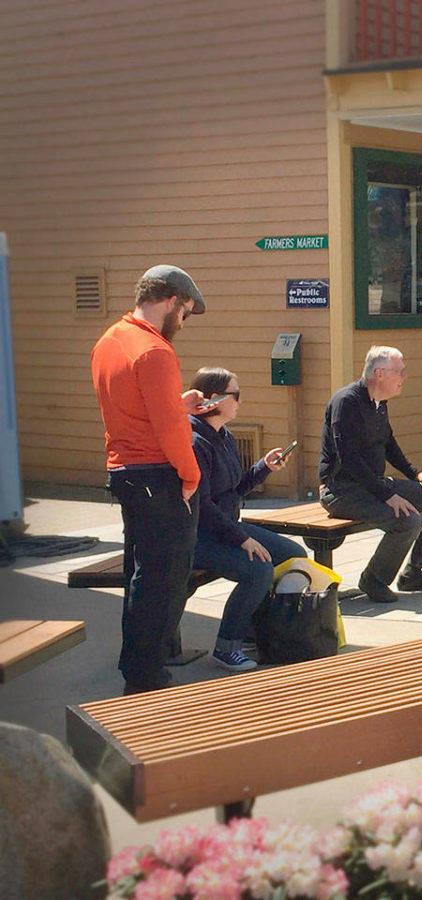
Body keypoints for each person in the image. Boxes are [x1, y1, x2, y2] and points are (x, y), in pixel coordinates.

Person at [91, 264, 209, 694]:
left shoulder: (110, 340)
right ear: (172, 300)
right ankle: (145, 679)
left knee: (141, 575)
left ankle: (135, 667)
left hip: (125, 472)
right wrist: (191, 474)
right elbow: (169, 432)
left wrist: (178, 404)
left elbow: (135, 408)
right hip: (159, 477)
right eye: (186, 312)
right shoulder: (156, 350)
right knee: (165, 580)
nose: (184, 323)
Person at [319, 346, 422, 603]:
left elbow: (388, 443)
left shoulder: (379, 403)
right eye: (400, 372)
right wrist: (388, 495)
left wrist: (416, 474)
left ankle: (415, 572)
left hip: (373, 484)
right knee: (407, 520)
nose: (404, 377)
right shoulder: (346, 403)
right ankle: (373, 580)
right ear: (380, 373)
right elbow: (348, 459)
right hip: (341, 491)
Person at [189, 367, 306, 671]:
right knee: (258, 570)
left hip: (225, 527)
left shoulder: (223, 435)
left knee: (293, 555)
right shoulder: (193, 442)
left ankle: (255, 629)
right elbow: (203, 506)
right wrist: (243, 538)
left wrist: (264, 467)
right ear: (212, 400)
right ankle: (226, 647)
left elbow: (234, 489)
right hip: (198, 536)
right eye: (235, 394)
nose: (241, 400)